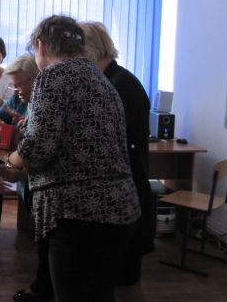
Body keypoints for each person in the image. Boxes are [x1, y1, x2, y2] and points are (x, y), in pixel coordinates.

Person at [0, 15, 141, 302]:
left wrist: (10, 160)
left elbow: (38, 148)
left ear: (41, 46)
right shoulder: (101, 79)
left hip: (78, 214)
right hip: (119, 210)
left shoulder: (52, 75)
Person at [81, 21, 154, 302]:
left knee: (125, 284)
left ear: (89, 50)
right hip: (121, 198)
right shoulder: (112, 80)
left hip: (126, 199)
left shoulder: (119, 85)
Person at [0, 53, 38, 246]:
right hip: (23, 173)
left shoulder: (44, 107)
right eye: (14, 85)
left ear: (34, 80)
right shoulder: (17, 99)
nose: (16, 91)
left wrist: (3, 155)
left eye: (19, 85)